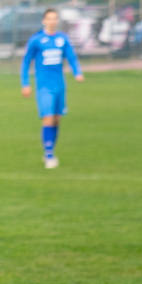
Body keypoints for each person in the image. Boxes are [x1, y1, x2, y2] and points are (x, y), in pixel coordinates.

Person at [20, 8, 84, 169]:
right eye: (49, 18)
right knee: (48, 118)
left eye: (55, 18)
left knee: (57, 119)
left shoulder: (62, 39)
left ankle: (50, 150)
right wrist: (25, 83)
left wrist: (78, 72)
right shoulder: (36, 40)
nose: (52, 21)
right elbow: (26, 62)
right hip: (43, 87)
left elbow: (71, 57)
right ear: (44, 21)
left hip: (60, 85)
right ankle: (49, 155)